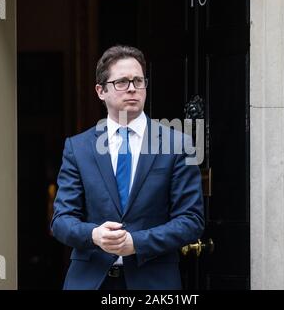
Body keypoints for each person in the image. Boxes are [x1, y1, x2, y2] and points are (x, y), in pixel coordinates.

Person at [51, 45, 204, 290]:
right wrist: (93, 235)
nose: (132, 88)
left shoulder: (178, 144)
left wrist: (136, 242)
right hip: (90, 281)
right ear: (100, 91)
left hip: (153, 282)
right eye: (122, 82)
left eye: (138, 80)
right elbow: (61, 220)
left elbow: (191, 220)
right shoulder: (78, 148)